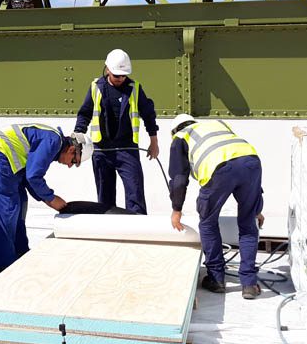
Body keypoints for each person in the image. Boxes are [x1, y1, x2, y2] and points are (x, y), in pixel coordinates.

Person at [167, 114, 265, 299]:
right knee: (248, 223)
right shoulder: (217, 124)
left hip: (219, 170)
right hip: (252, 162)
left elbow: (179, 179)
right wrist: (257, 208)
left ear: (174, 130)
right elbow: (238, 157)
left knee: (207, 223)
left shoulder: (180, 137)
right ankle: (250, 284)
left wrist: (176, 210)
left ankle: (216, 278)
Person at [0, 124, 91, 273]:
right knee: (7, 207)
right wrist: (51, 198)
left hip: (4, 156)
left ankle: (20, 251)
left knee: (21, 202)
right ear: (71, 150)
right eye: (74, 161)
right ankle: (3, 264)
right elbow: (33, 176)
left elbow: (30, 176)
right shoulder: (53, 142)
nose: (70, 166)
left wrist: (46, 198)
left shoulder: (53, 143)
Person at [74, 49, 159, 214]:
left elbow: (148, 114)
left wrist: (153, 142)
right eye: (117, 75)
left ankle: (138, 231)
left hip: (127, 149)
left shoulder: (134, 89)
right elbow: (84, 114)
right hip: (102, 150)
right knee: (105, 198)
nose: (121, 79)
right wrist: (77, 136)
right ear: (107, 69)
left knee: (135, 193)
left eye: (123, 75)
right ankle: (109, 230)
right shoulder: (95, 88)